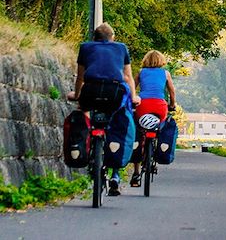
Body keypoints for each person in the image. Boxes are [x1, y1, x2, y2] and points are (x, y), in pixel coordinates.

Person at [67, 23, 140, 196]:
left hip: (90, 91)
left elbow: (80, 77)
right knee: (116, 123)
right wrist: (133, 97)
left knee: (83, 110)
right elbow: (128, 76)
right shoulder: (121, 48)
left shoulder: (85, 47)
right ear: (112, 37)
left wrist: (77, 94)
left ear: (95, 37)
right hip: (114, 93)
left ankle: (83, 142)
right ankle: (115, 174)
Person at [130, 50, 176, 188]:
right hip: (160, 107)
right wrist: (172, 105)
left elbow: (132, 88)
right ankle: (158, 151)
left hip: (142, 106)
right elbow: (172, 91)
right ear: (161, 61)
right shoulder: (165, 73)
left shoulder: (141, 72)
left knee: (138, 133)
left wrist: (132, 101)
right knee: (160, 129)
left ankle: (136, 172)